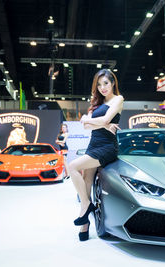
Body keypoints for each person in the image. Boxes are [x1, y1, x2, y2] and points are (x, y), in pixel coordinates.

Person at [69, 69, 123, 241]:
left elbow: (105, 120)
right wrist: (98, 123)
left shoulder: (118, 99)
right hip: (93, 144)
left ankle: (86, 204)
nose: (102, 87)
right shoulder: (97, 104)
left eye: (105, 83)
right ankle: (84, 225)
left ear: (113, 83)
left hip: (107, 146)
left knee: (72, 166)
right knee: (86, 180)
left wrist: (88, 120)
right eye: (99, 85)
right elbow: (87, 127)